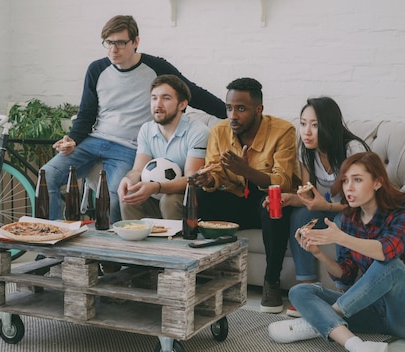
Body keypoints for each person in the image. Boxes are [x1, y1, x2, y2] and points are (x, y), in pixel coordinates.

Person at [42, 15, 226, 223]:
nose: (114, 49)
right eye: (109, 43)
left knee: (115, 198)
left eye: (120, 42)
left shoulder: (155, 67)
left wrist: (230, 113)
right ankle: (50, 245)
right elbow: (86, 114)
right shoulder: (96, 69)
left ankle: (113, 253)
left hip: (128, 147)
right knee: (46, 176)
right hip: (94, 141)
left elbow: (191, 92)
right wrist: (72, 139)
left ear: (135, 42)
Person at [268, 152, 405, 352]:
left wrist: (340, 238)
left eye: (357, 180)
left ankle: (318, 322)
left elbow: (387, 251)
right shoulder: (349, 218)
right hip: (371, 309)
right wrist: (317, 253)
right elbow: (346, 274)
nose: (349, 188)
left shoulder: (404, 211)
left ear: (377, 183)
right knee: (300, 291)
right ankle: (356, 345)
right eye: (345, 181)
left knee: (390, 265)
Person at [193, 77, 300, 313]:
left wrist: (247, 171)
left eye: (241, 109)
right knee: (201, 196)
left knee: (273, 204)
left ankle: (271, 283)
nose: (233, 115)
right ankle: (204, 275)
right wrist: (209, 179)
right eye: (229, 108)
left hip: (268, 200)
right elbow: (216, 171)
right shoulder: (219, 131)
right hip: (237, 200)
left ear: (259, 109)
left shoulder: (284, 131)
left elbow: (282, 182)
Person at [282, 97, 370, 318]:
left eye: (315, 124)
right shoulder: (306, 151)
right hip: (330, 205)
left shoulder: (352, 148)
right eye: (303, 124)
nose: (307, 131)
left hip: (356, 210)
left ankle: (345, 291)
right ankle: (308, 287)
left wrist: (327, 206)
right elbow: (308, 194)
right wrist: (291, 199)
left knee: (341, 223)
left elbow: (362, 201)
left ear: (329, 125)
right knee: (300, 215)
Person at [118, 74, 209, 220]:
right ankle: (135, 240)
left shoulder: (198, 131)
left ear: (182, 104)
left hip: (187, 199)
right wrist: (128, 179)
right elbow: (137, 170)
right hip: (155, 195)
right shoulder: (147, 129)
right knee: (130, 197)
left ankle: (176, 242)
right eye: (154, 98)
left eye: (166, 98)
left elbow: (191, 179)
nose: (158, 105)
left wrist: (157, 187)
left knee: (170, 201)